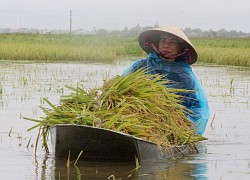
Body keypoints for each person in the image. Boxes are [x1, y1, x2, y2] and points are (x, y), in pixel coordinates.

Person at [122, 26, 210, 135]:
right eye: (163, 41)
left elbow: (196, 108)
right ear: (157, 44)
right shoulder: (141, 66)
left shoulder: (185, 77)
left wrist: (180, 124)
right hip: (137, 117)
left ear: (180, 48)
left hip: (167, 126)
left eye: (172, 42)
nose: (166, 45)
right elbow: (122, 86)